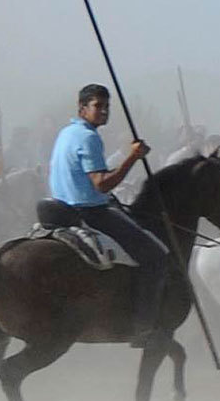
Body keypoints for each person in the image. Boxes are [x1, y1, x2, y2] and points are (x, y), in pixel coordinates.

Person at [48, 84, 166, 344]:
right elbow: (101, 184)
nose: (104, 111)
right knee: (156, 257)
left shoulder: (67, 133)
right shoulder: (89, 138)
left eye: (107, 106)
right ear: (82, 108)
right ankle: (143, 328)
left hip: (61, 207)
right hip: (90, 212)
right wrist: (133, 157)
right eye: (97, 106)